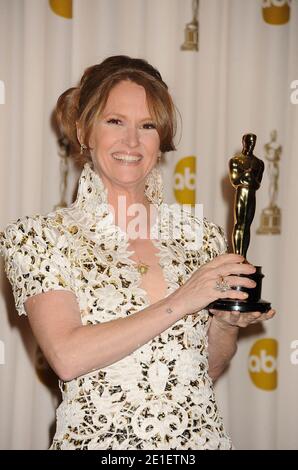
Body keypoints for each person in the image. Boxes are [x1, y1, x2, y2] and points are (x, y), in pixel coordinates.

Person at [0, 56, 275, 450]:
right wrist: (183, 299)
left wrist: (227, 323)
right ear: (83, 130)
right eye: (115, 121)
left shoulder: (201, 237)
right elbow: (67, 356)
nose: (132, 141)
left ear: (160, 138)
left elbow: (206, 369)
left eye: (147, 126)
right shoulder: (40, 237)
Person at [229, 134, 265, 258]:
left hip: (251, 195)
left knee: (247, 226)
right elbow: (235, 180)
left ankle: (243, 256)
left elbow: (258, 183)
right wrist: (247, 176)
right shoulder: (235, 161)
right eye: (248, 142)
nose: (251, 145)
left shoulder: (259, 163)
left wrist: (248, 178)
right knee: (239, 224)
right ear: (244, 142)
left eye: (253, 142)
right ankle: (237, 256)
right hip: (241, 193)